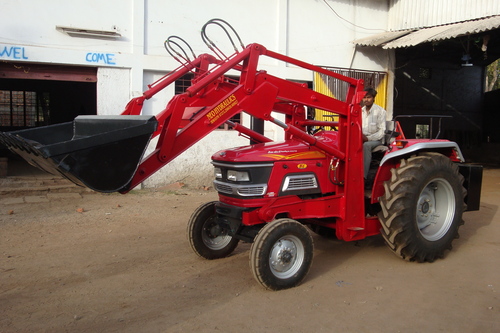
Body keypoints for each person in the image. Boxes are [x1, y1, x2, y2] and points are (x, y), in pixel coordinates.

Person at [361, 88, 386, 180]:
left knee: (366, 146)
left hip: (376, 140)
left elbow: (382, 131)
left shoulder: (380, 111)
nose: (366, 100)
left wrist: (367, 139)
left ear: (373, 98)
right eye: (364, 98)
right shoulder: (360, 111)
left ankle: (363, 177)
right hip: (361, 138)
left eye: (368, 97)